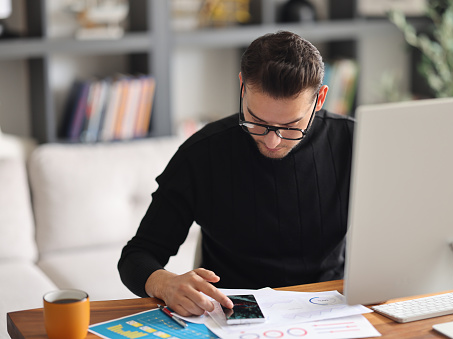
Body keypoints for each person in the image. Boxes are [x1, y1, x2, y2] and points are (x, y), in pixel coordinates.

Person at [118, 30, 354, 317]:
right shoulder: (202, 154)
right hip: (235, 315)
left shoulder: (355, 143)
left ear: (320, 99)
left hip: (331, 309)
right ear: (242, 86)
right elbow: (137, 256)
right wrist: (165, 283)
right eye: (257, 121)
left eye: (291, 126)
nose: (272, 141)